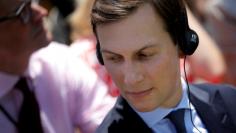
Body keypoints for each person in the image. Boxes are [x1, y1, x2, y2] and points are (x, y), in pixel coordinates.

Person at [91, 0, 236, 133]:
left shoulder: (230, 101)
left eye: (144, 55)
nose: (131, 79)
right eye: (114, 58)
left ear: (182, 43)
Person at [0, 0, 115, 133]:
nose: (42, 13)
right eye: (23, 11)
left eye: (32, 3)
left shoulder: (59, 61)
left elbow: (109, 121)